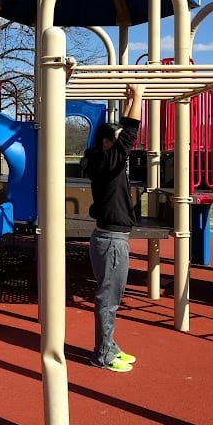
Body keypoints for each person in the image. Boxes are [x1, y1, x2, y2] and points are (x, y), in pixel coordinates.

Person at [79, 83, 144, 373]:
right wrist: (140, 97)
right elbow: (128, 136)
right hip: (111, 241)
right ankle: (102, 354)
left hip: (111, 238)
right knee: (108, 299)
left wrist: (130, 100)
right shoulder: (107, 162)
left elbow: (124, 136)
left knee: (112, 297)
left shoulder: (107, 161)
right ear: (107, 143)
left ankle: (109, 345)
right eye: (115, 141)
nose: (122, 147)